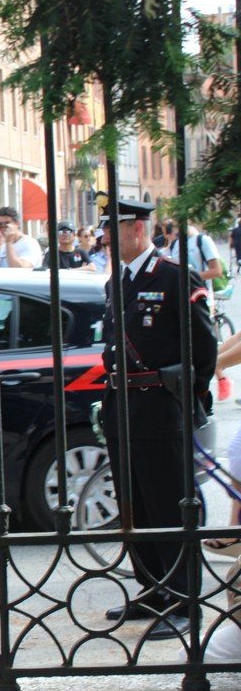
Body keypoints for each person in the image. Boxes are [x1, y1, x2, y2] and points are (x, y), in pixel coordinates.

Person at [99, 199, 216, 640]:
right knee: (136, 507)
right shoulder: (117, 282)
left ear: (137, 229)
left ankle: (185, 599)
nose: (105, 239)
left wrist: (189, 395)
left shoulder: (173, 275)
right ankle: (153, 589)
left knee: (169, 504)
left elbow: (203, 345)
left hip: (160, 407)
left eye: (113, 229)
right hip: (122, 407)